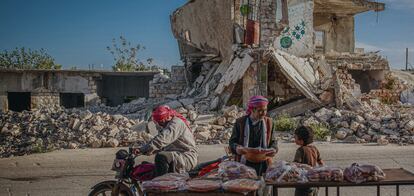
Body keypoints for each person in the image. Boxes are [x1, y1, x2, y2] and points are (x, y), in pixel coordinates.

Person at [134, 105, 198, 177]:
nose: (159, 124)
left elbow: (162, 140)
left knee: (161, 157)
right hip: (175, 155)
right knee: (146, 167)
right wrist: (145, 150)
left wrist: (144, 149)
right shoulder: (167, 125)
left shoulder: (176, 123)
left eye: (160, 121)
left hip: (186, 157)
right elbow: (161, 146)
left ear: (166, 117)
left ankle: (162, 185)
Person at [229, 95, 278, 176]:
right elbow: (232, 142)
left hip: (264, 163)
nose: (264, 113)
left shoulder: (269, 122)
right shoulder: (240, 122)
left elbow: (273, 141)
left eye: (265, 110)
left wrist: (274, 149)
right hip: (245, 163)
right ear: (252, 110)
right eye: (260, 111)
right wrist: (237, 148)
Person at [293, 126, 324, 196]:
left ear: (301, 140)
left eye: (295, 137)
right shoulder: (314, 149)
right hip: (314, 184)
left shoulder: (300, 150)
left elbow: (295, 165)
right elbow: (321, 163)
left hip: (303, 186)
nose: (294, 139)